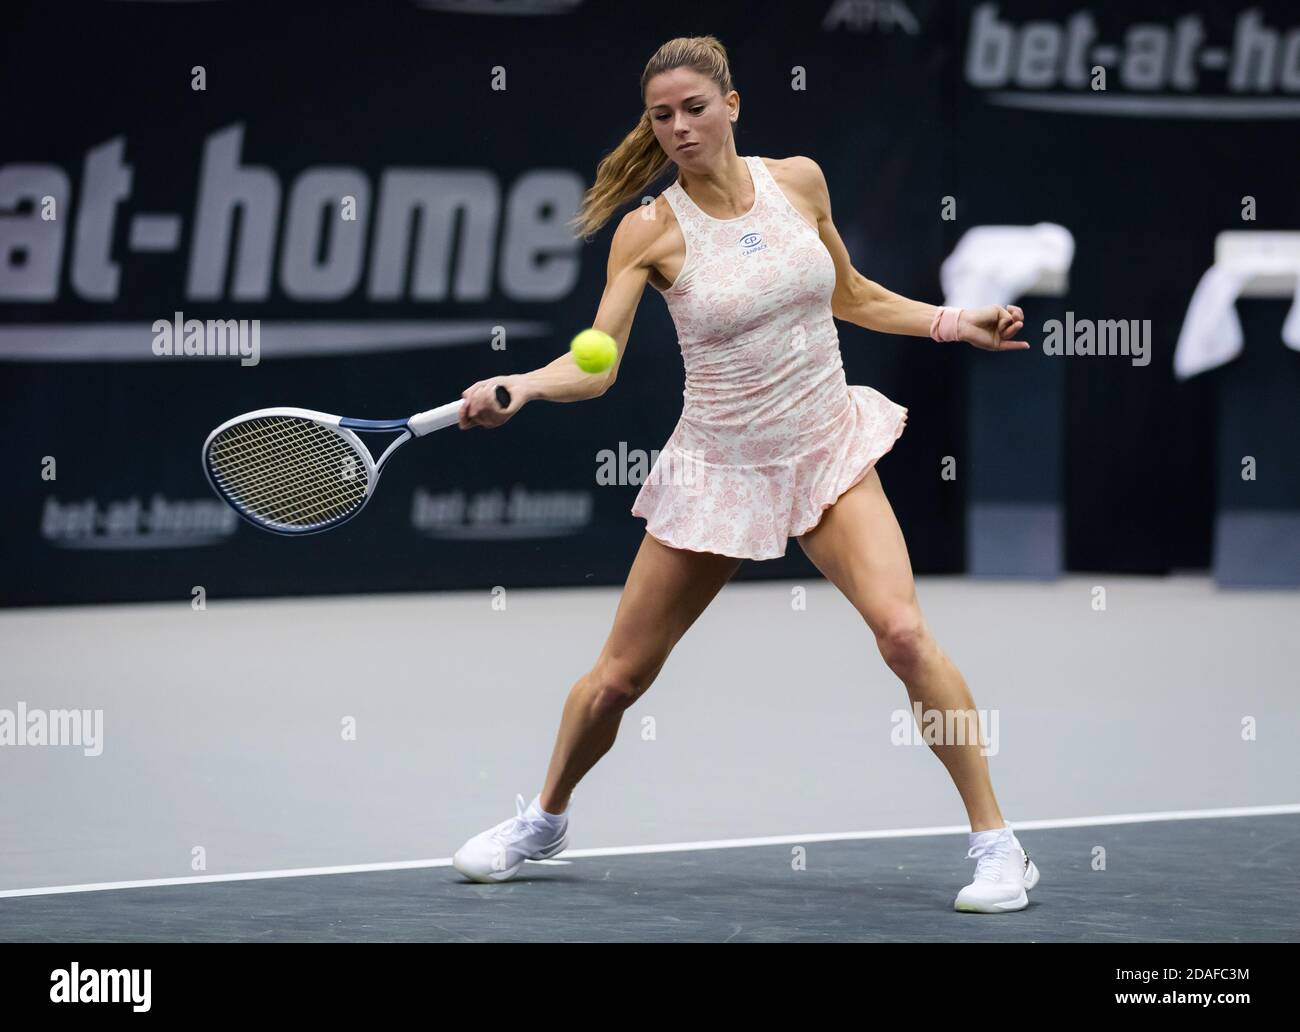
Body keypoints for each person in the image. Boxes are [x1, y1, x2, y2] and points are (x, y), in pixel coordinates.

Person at [452, 35, 1039, 914]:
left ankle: (998, 846)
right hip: (719, 468)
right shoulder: (648, 231)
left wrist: (958, 324)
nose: (680, 128)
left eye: (694, 108)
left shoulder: (798, 181)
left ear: (733, 105)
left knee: (905, 637)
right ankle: (544, 818)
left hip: (826, 447)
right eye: (662, 117)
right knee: (618, 679)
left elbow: (855, 296)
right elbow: (600, 361)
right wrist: (525, 386)